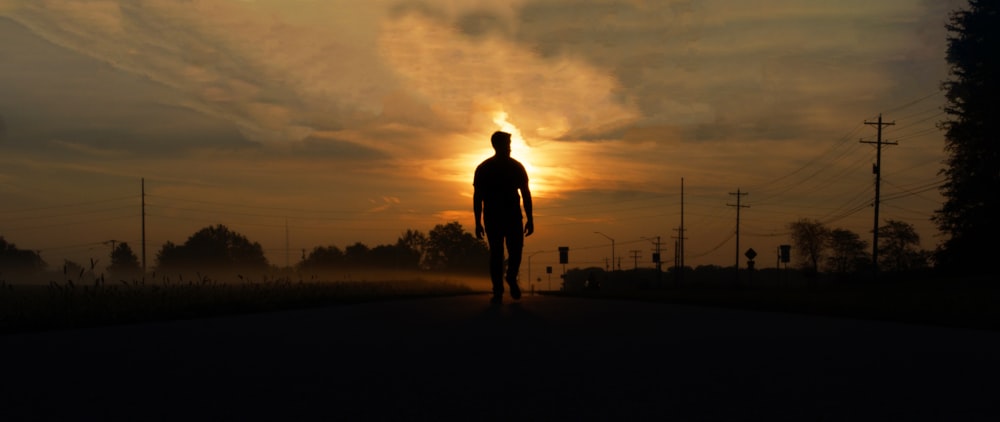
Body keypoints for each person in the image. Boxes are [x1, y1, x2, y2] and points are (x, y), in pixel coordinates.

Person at [474, 130, 534, 305]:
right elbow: (478, 197)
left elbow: (526, 194)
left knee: (516, 251)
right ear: (497, 146)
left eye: (509, 144)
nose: (509, 148)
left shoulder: (517, 167)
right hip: (493, 217)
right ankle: (498, 290)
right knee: (497, 253)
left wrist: (530, 218)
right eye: (507, 145)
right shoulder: (484, 168)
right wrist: (477, 222)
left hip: (513, 216)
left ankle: (511, 277)